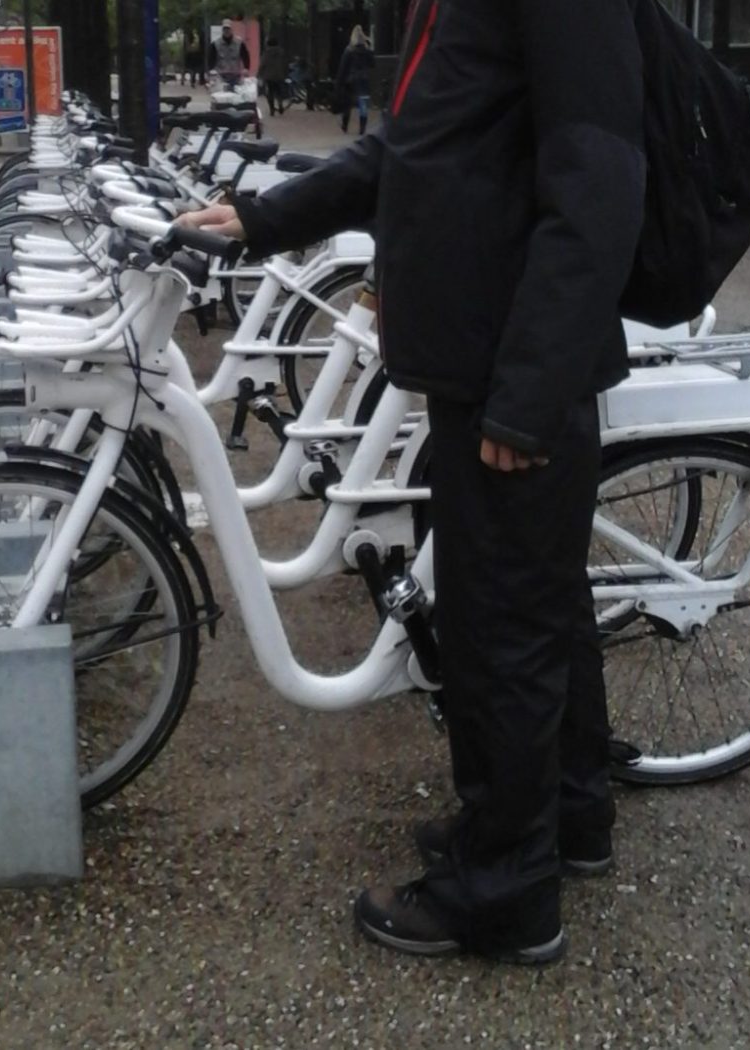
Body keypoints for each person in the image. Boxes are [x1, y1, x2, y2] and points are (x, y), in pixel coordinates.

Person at [180, 0, 646, 964]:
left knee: (499, 627)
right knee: (539, 605)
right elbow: (414, 153)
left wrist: (528, 392)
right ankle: (569, 816)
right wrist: (266, 216)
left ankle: (504, 889)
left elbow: (598, 180)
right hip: (484, 360)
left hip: (513, 372)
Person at [335, 26, 375, 135]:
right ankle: (362, 129)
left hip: (351, 80)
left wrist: (339, 82)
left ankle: (345, 126)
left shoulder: (349, 50)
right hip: (364, 79)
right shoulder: (367, 51)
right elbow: (372, 64)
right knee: (363, 104)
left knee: (348, 103)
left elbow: (343, 67)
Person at [208, 19, 251, 90]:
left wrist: (246, 68)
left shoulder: (239, 43)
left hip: (236, 74)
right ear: (222, 30)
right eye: (225, 29)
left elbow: (245, 55)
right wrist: (211, 69)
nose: (226, 31)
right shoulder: (215, 44)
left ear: (232, 29)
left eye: (228, 29)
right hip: (220, 74)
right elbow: (211, 58)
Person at [257, 35, 288, 116]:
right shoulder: (281, 52)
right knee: (279, 91)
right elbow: (285, 63)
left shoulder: (267, 53)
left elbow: (263, 64)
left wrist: (259, 73)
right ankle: (280, 104)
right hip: (279, 75)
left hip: (269, 76)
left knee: (270, 92)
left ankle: (272, 109)